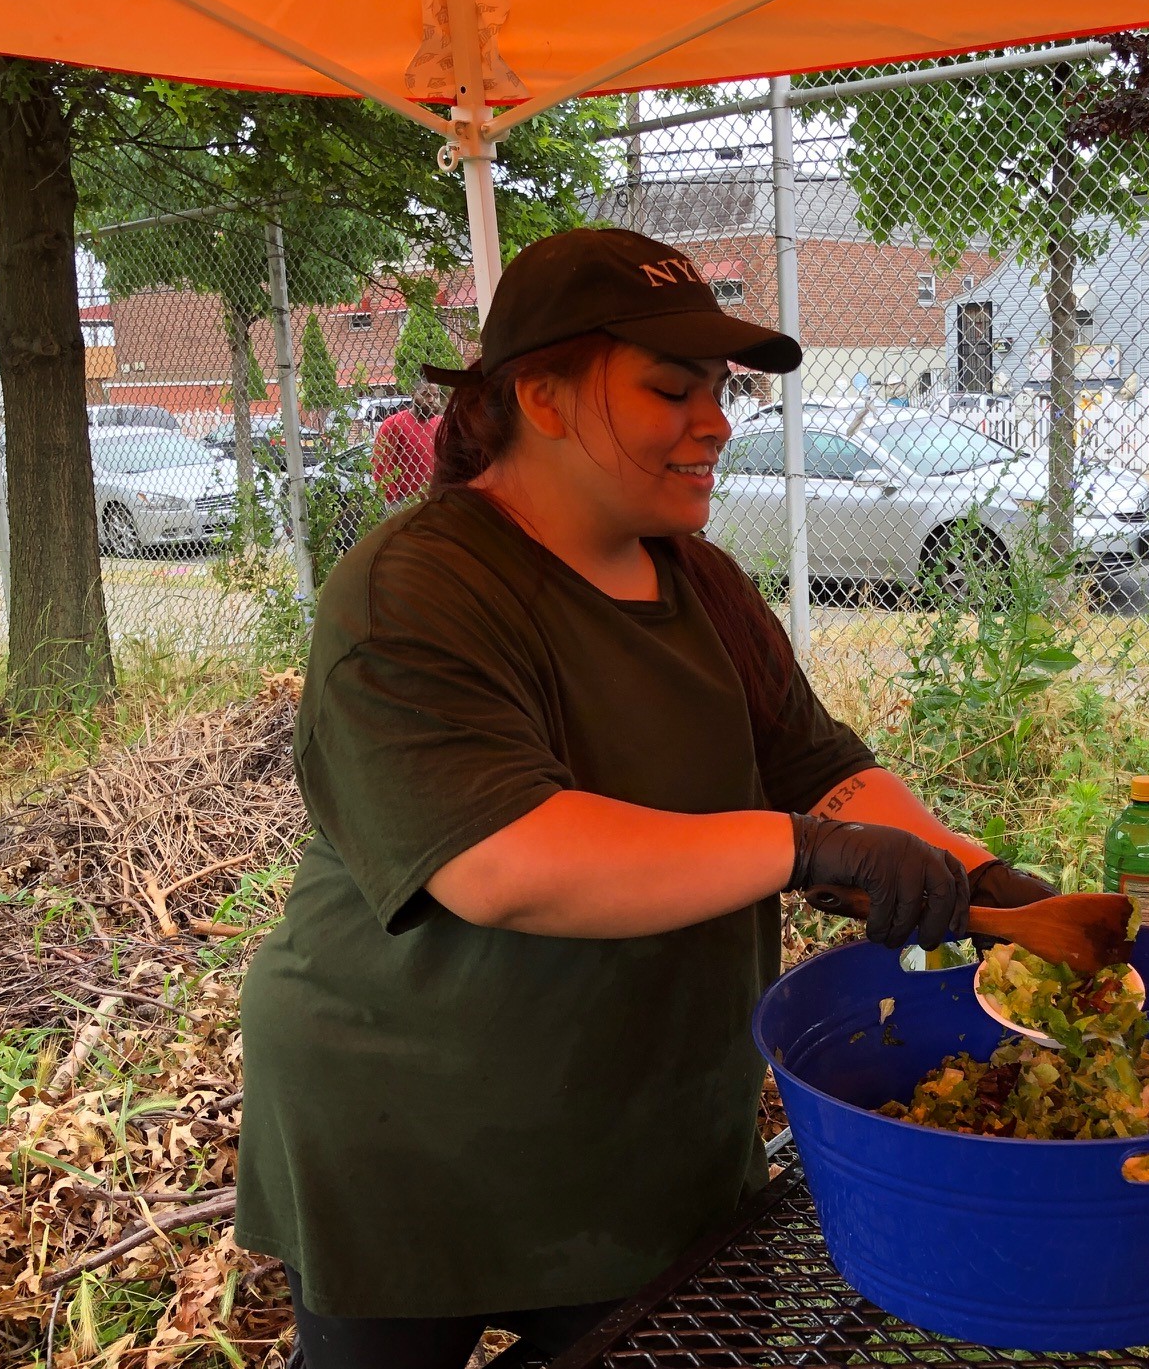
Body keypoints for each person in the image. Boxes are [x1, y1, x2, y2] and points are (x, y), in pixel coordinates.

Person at [235, 227, 1053, 1369]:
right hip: (410, 1120)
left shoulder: (697, 577)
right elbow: (504, 857)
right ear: (544, 396)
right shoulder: (416, 585)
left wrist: (978, 879)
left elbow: (818, 764)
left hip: (643, 1119)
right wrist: (812, 852)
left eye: (717, 389)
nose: (715, 420)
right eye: (672, 387)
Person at [370, 381, 442, 507]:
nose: (431, 400)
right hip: (406, 501)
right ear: (413, 394)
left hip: (437, 499)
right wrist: (394, 499)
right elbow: (380, 464)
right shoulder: (393, 424)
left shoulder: (442, 424)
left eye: (435, 396)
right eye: (426, 394)